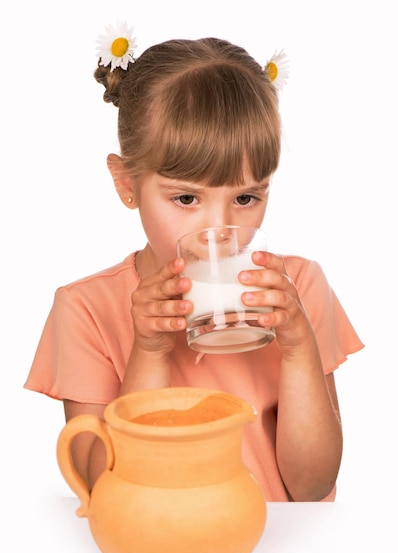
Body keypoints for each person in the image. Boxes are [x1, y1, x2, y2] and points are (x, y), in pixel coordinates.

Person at [24, 23, 364, 502]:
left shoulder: (298, 286)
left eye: (246, 196)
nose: (217, 234)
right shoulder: (86, 310)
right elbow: (103, 487)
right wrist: (150, 351)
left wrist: (297, 349)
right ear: (127, 184)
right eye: (186, 198)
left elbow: (313, 486)